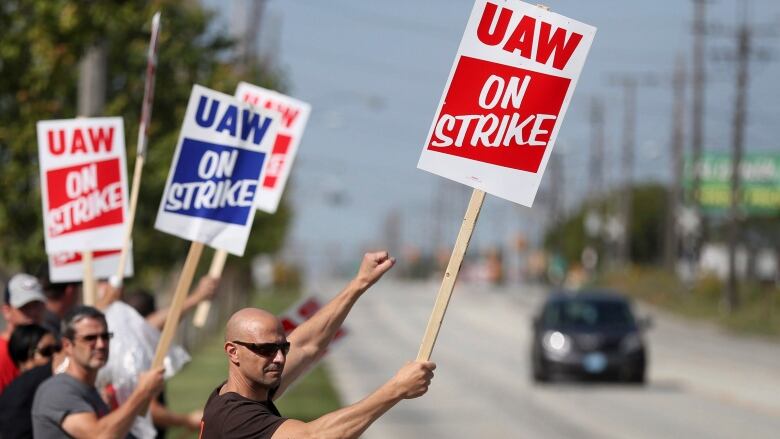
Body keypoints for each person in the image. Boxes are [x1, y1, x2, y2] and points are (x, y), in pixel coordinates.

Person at [200, 251, 436, 439]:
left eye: (283, 348)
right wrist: (396, 389)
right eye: (265, 350)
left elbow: (306, 345)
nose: (279, 359)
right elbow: (314, 436)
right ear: (233, 351)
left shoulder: (247, 388)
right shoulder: (236, 419)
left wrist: (359, 283)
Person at [31, 306, 165, 439]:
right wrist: (142, 392)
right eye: (90, 338)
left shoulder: (91, 391)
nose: (101, 344)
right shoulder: (57, 390)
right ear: (67, 345)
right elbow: (100, 436)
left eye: (105, 336)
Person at [0, 325, 66, 439]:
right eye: (47, 351)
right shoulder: (15, 395)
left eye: (57, 348)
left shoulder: (58, 385)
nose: (55, 355)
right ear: (24, 359)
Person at [1, 273, 47, 393]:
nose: (33, 313)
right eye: (25, 307)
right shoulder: (2, 353)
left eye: (36, 305)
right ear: (7, 311)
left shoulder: (51, 345)